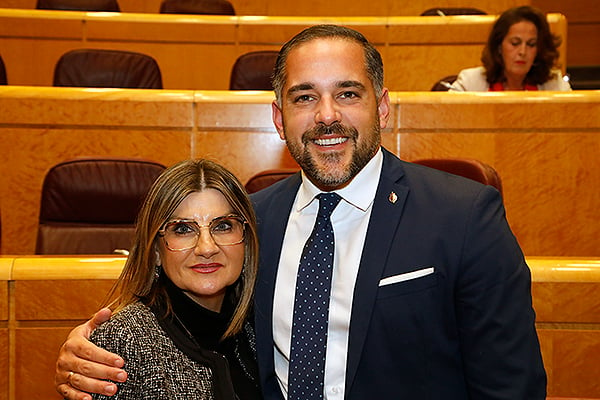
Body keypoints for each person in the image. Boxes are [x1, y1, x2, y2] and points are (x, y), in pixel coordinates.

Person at [55, 24, 547, 399]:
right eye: (304, 96)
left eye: (347, 94)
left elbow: (511, 387)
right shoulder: (249, 222)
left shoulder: (465, 216)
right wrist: (90, 348)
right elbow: (181, 317)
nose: (326, 114)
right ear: (279, 117)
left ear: (382, 107)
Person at [68, 158, 261, 399]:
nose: (206, 247)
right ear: (156, 251)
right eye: (182, 229)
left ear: (246, 240)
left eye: (223, 226)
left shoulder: (260, 326)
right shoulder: (124, 340)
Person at [450, 5, 571, 91]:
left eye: (531, 44)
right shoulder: (470, 84)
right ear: (499, 47)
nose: (522, 52)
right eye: (515, 43)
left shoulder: (555, 86)